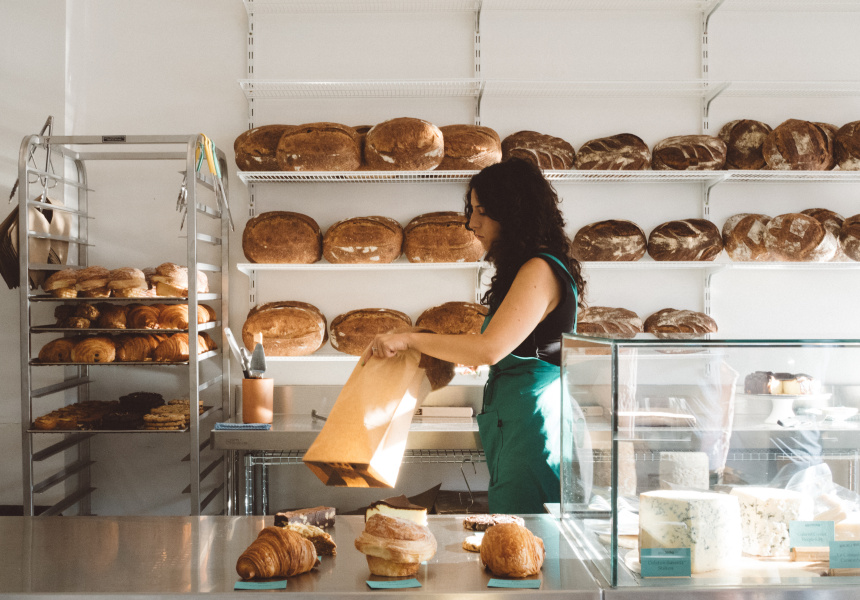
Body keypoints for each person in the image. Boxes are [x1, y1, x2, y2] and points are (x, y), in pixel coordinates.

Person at [363, 157, 586, 513]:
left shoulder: (539, 269)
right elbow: (507, 347)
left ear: (513, 213)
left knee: (526, 538)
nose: (471, 223)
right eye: (472, 209)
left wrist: (410, 339)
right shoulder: (533, 267)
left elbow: (490, 348)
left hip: (532, 427)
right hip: (519, 420)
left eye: (482, 211)